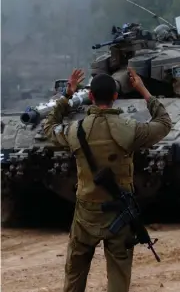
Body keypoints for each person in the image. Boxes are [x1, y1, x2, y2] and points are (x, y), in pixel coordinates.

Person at [43, 68, 172, 292]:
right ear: (115, 96)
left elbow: (49, 127)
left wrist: (67, 96)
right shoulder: (131, 129)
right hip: (119, 216)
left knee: (74, 272)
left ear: (91, 96)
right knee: (119, 275)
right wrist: (143, 91)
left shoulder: (75, 130)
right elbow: (164, 122)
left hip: (85, 214)